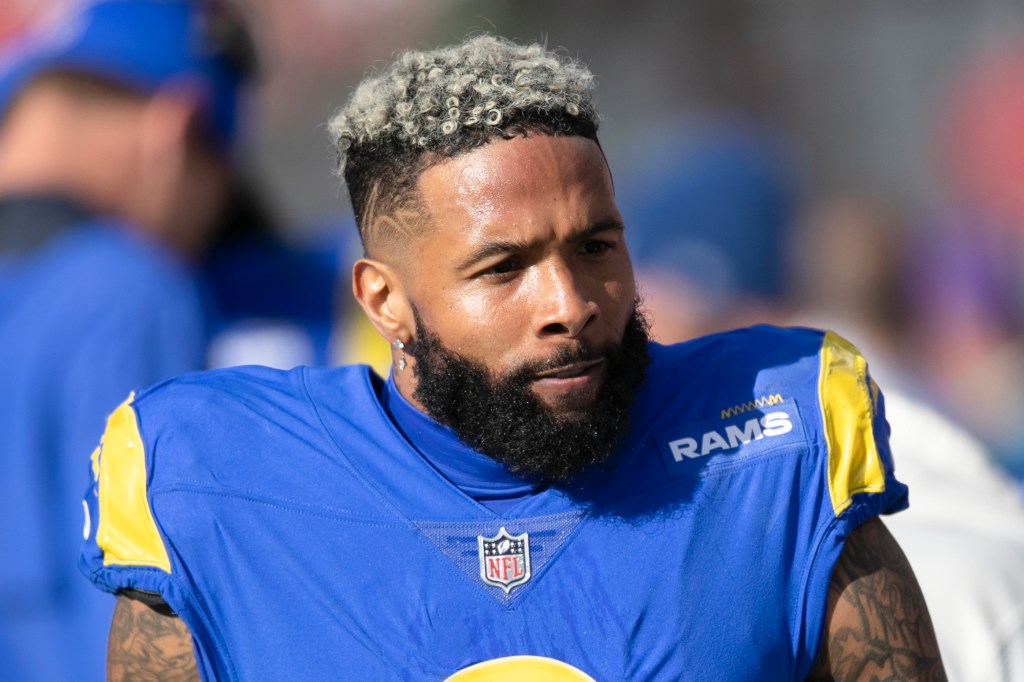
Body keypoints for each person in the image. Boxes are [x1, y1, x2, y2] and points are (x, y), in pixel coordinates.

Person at [80, 35, 946, 680]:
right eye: (503, 268)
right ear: (384, 300)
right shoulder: (208, 485)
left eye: (597, 246)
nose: (569, 305)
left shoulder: (774, 438)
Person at [0, 1, 254, 679]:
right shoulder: (130, 291)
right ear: (178, 126)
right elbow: (136, 603)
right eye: (220, 202)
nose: (203, 241)